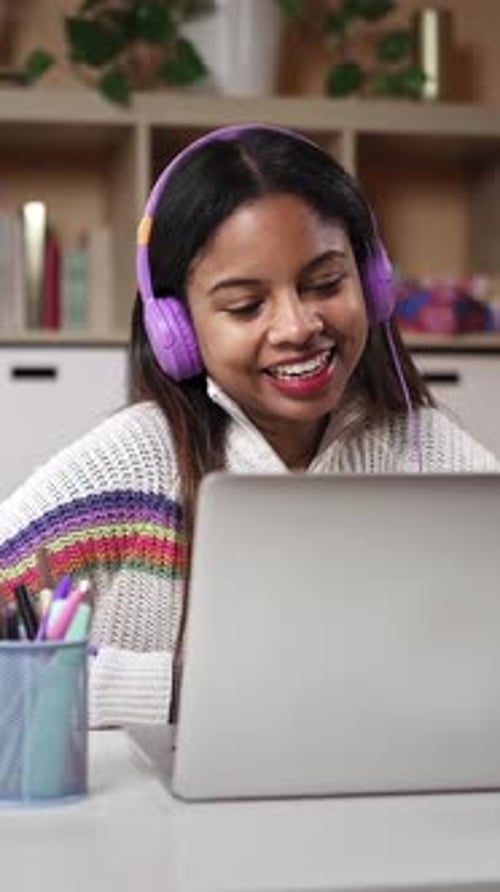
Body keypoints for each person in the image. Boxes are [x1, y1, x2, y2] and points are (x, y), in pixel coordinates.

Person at [0, 125, 498, 727]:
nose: (296, 325)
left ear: (372, 284)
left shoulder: (429, 453)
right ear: (175, 329)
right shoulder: (128, 468)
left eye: (325, 284)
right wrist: (178, 691)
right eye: (245, 306)